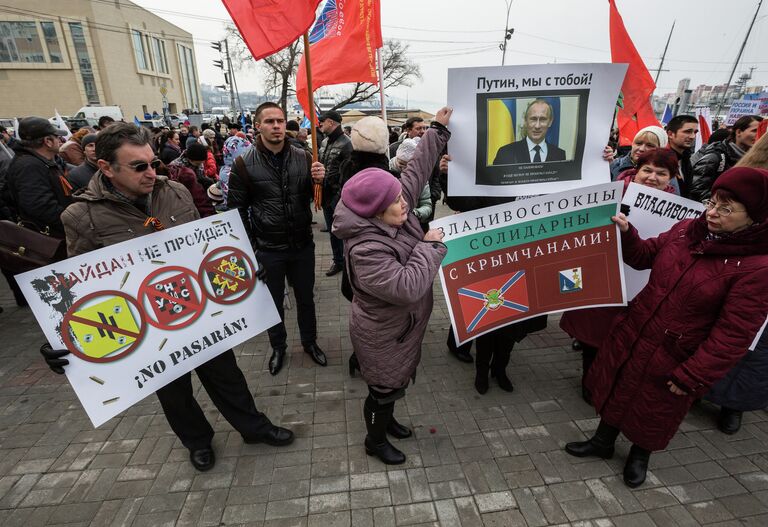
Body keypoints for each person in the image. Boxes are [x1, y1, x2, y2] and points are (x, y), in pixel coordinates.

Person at [44, 122, 294, 472]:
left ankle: (253, 427)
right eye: (139, 166)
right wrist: (61, 337)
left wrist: (244, 268)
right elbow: (77, 289)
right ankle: (197, 441)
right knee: (174, 394)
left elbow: (208, 243)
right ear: (106, 168)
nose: (151, 172)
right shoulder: (81, 216)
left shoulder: (174, 191)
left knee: (227, 376)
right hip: (148, 326)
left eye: (152, 163)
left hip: (197, 311)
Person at [565, 167, 768, 488]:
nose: (712, 213)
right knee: (617, 386)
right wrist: (628, 234)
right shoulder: (688, 229)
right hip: (637, 330)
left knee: (654, 409)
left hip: (677, 354)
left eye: (726, 208)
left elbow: (733, 335)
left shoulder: (758, 267)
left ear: (755, 216)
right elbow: (645, 255)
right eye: (711, 202)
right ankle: (602, 441)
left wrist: (694, 375)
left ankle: (639, 456)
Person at [332, 107, 452, 465]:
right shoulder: (367, 247)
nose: (406, 205)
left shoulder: (391, 207)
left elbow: (415, 173)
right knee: (382, 390)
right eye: (397, 203)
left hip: (402, 330)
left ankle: (387, 422)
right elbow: (406, 287)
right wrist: (429, 246)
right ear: (375, 211)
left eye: (402, 198)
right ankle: (374, 439)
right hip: (382, 335)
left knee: (393, 386)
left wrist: (438, 132)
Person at [560, 148, 680, 403]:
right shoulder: (610, 195)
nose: (652, 177)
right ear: (637, 172)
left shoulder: (679, 212)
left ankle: (612, 381)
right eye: (647, 170)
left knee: (625, 340)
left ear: (671, 178)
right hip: (602, 279)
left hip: (642, 287)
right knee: (594, 336)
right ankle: (590, 382)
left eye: (661, 173)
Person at [227, 102, 328, 376]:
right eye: (270, 121)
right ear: (257, 126)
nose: (276, 126)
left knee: (306, 298)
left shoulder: (304, 157)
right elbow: (236, 212)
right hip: (268, 249)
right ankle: (278, 346)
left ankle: (310, 342)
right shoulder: (243, 163)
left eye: (280, 121)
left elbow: (320, 200)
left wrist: (321, 181)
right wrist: (250, 252)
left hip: (302, 245)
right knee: (272, 303)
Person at [441, 154, 548, 390]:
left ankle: (500, 369)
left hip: (528, 268)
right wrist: (450, 175)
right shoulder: (496, 186)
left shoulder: (550, 188)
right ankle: (481, 371)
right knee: (489, 319)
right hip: (494, 267)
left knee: (512, 325)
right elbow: (463, 203)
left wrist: (601, 163)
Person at [703, 133, 768, 434]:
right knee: (722, 331)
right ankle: (702, 386)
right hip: (741, 263)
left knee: (756, 350)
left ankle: (735, 405)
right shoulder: (751, 174)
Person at [2, 116, 71, 238]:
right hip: (52, 238)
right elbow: (40, 207)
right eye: (57, 137)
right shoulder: (29, 166)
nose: (60, 140)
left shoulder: (39, 162)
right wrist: (74, 222)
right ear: (48, 141)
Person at [689, 115, 763, 202]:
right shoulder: (715, 158)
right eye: (755, 131)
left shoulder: (758, 161)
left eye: (762, 132)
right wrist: (727, 204)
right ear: (738, 132)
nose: (759, 135)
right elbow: (697, 191)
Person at [318, 110, 352, 277]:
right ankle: (338, 261)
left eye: (322, 122)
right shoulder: (324, 142)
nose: (319, 124)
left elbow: (349, 174)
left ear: (330, 122)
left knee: (342, 231)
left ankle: (346, 262)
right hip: (325, 195)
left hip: (339, 196)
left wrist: (341, 195)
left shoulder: (347, 143)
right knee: (333, 231)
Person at [493, 99, 566, 165]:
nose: (537, 126)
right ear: (525, 121)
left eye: (543, 119)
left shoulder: (560, 155)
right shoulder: (505, 153)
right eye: (533, 119)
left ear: (550, 122)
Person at [390, 138, 433, 230]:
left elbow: (427, 205)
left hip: (411, 226)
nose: (404, 168)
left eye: (409, 165)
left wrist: (415, 213)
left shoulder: (420, 177)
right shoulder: (385, 170)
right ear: (397, 158)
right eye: (401, 163)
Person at [167, 143, 215, 217]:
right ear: (190, 159)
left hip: (199, 197)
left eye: (202, 163)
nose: (200, 165)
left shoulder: (199, 162)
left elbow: (201, 174)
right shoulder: (176, 167)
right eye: (197, 163)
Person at [665, 115, 698, 196]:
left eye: (695, 132)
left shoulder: (686, 159)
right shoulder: (659, 159)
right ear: (670, 134)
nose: (693, 136)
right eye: (687, 131)